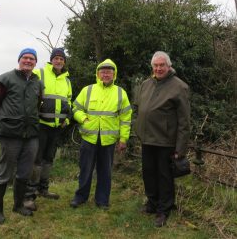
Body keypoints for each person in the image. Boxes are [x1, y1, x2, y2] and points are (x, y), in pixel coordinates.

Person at [131, 51, 190, 227]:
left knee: (164, 177)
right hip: (147, 139)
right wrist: (137, 127)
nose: (158, 68)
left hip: (166, 141)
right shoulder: (145, 84)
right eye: (155, 65)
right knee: (148, 173)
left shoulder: (180, 87)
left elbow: (184, 121)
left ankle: (164, 210)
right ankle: (152, 204)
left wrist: (180, 148)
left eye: (161, 65)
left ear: (169, 66)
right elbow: (137, 108)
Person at [70, 59, 132, 209]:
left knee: (105, 172)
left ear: (114, 74)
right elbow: (75, 108)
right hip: (88, 137)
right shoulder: (87, 90)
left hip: (108, 140)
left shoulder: (120, 93)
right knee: (85, 170)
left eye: (109, 71)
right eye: (103, 71)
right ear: (97, 74)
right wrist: (83, 118)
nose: (105, 74)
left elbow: (125, 118)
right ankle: (80, 197)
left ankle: (102, 201)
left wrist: (123, 139)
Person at [0, 48, 43, 225]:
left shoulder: (38, 82)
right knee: (5, 173)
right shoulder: (5, 78)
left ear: (35, 63)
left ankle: (18, 205)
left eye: (32, 59)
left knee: (24, 172)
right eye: (25, 58)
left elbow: (37, 105)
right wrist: (4, 123)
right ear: (19, 60)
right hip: (10, 133)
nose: (28, 61)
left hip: (31, 134)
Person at [24, 47, 72, 210]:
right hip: (41, 126)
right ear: (51, 60)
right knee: (36, 161)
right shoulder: (41, 73)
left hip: (56, 127)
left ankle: (43, 189)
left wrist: (67, 117)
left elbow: (69, 101)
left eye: (61, 58)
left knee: (49, 159)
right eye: (56, 58)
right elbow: (30, 95)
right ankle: (29, 195)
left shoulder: (67, 80)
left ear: (64, 62)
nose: (59, 61)